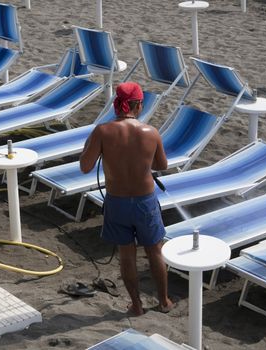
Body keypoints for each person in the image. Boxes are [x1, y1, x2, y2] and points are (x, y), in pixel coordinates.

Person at [79, 82, 173, 316]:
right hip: (145, 201)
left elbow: (85, 167)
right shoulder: (151, 132)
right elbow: (161, 165)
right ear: (138, 104)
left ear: (116, 104)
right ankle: (163, 301)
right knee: (155, 251)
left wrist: (90, 146)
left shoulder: (102, 131)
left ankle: (137, 305)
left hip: (117, 201)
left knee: (126, 254)